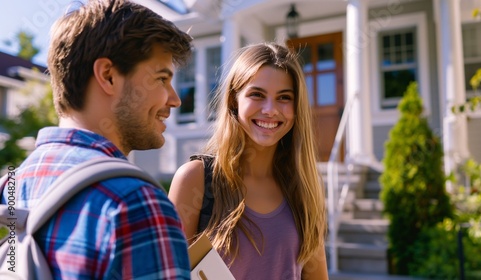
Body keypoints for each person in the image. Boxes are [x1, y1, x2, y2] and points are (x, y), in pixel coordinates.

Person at [0, 0, 193, 279]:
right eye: (162, 79)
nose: (174, 99)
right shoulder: (136, 202)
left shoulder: (14, 183)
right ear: (108, 76)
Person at [169, 42, 328, 279]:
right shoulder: (196, 180)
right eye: (257, 94)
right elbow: (167, 272)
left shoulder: (303, 186)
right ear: (234, 100)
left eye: (284, 97)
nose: (270, 110)